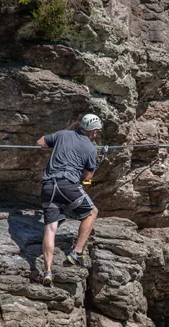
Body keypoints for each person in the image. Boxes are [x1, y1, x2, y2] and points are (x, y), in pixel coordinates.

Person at [36, 114, 102, 287]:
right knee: (92, 212)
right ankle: (77, 252)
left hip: (48, 186)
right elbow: (88, 176)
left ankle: (48, 271)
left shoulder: (63, 134)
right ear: (94, 132)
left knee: (50, 228)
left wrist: (50, 147)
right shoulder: (91, 149)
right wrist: (90, 174)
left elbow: (40, 142)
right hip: (67, 185)